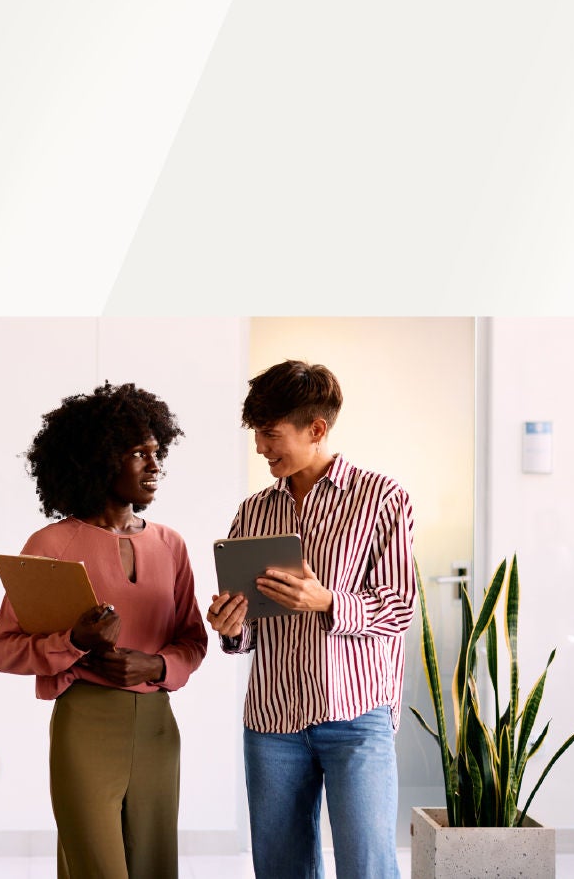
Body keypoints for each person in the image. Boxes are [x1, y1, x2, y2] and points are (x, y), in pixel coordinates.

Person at [0, 382, 208, 879]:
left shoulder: (171, 544)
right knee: (94, 869)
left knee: (155, 868)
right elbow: (1, 649)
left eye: (157, 453)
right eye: (137, 454)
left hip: (157, 726)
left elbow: (194, 639)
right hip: (84, 724)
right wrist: (74, 643)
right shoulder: (51, 543)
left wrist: (157, 665)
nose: (155, 466)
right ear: (98, 460)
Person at [206, 360, 416, 879]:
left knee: (367, 866)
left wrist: (327, 601)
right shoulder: (252, 512)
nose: (259, 446)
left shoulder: (383, 499)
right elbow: (249, 630)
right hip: (273, 722)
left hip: (357, 716)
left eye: (270, 433)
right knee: (280, 870)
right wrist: (232, 628)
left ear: (316, 429)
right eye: (257, 432)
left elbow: (400, 606)